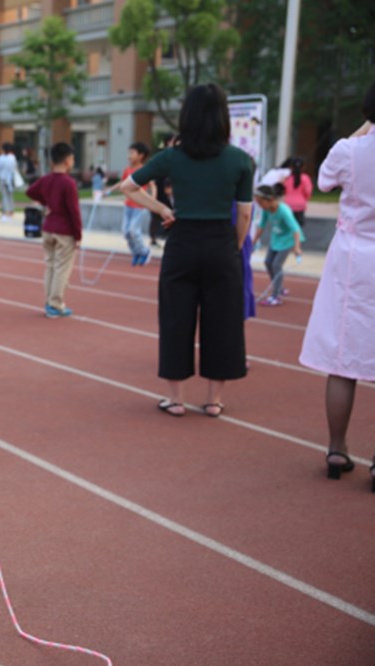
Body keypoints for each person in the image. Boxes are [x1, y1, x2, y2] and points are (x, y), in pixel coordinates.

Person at [121, 83, 254, 418]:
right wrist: (234, 246)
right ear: (223, 118)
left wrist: (163, 210)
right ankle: (214, 400)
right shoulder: (240, 160)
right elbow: (245, 213)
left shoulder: (172, 158)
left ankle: (176, 399)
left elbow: (128, 187)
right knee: (222, 321)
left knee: (176, 318)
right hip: (221, 243)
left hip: (182, 243)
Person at [299, 81, 375, 486]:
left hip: (351, 260)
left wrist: (363, 129)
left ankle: (336, 448)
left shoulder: (349, 150)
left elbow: (326, 181)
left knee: (343, 361)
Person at [26, 142, 82, 318]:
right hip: (64, 230)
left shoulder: (46, 179)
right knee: (61, 269)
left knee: (50, 266)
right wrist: (78, 233)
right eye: (72, 158)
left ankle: (50, 301)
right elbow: (74, 210)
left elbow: (30, 191)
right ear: (67, 160)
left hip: (48, 228)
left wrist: (46, 202)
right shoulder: (68, 183)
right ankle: (55, 304)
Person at [251, 183, 304, 306]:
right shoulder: (266, 210)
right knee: (268, 262)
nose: (259, 205)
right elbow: (261, 226)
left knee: (276, 265)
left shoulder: (283, 211)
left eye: (260, 202)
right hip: (276, 240)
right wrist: (252, 241)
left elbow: (296, 230)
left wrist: (297, 247)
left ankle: (276, 296)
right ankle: (279, 287)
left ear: (269, 200)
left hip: (288, 240)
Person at [108, 142, 155, 266]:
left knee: (134, 230)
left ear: (141, 155)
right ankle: (136, 253)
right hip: (128, 206)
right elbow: (122, 183)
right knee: (125, 232)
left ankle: (144, 252)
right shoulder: (127, 170)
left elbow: (152, 186)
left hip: (140, 206)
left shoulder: (144, 170)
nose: (129, 156)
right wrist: (108, 190)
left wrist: (152, 202)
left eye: (132, 153)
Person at [149, 134, 177, 247]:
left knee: (172, 215)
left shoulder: (179, 156)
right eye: (174, 141)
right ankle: (153, 238)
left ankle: (169, 238)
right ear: (168, 142)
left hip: (171, 189)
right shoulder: (162, 156)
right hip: (160, 188)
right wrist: (153, 195)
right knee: (156, 216)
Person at [281, 156, 313, 232]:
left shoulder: (286, 178)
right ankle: (297, 242)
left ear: (291, 167)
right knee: (298, 228)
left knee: (287, 227)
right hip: (300, 205)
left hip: (287, 205)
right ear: (303, 167)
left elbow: (282, 190)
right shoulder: (305, 178)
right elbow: (308, 192)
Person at [0, 143, 19, 223]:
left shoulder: (0, 158)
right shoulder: (12, 157)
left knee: (4, 196)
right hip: (11, 179)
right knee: (10, 195)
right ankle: (11, 211)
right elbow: (15, 168)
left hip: (3, 178)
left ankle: (6, 213)